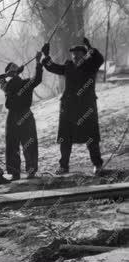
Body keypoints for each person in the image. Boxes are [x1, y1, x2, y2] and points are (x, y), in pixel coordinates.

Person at [41, 38, 104, 175]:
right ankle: (64, 166)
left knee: (91, 138)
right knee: (65, 138)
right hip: (68, 108)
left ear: (85, 55)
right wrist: (46, 56)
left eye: (78, 53)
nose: (75, 56)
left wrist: (90, 47)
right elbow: (53, 67)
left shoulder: (91, 66)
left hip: (87, 108)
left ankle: (97, 165)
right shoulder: (68, 67)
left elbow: (99, 59)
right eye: (73, 54)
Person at [1, 52, 43, 180]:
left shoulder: (24, 83)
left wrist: (38, 62)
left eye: (15, 66)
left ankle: (31, 171)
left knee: (29, 143)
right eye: (11, 68)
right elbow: (10, 85)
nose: (14, 68)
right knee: (12, 145)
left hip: (26, 114)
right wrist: (14, 74)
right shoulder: (6, 84)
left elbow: (37, 79)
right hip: (12, 115)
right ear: (8, 73)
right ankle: (14, 173)